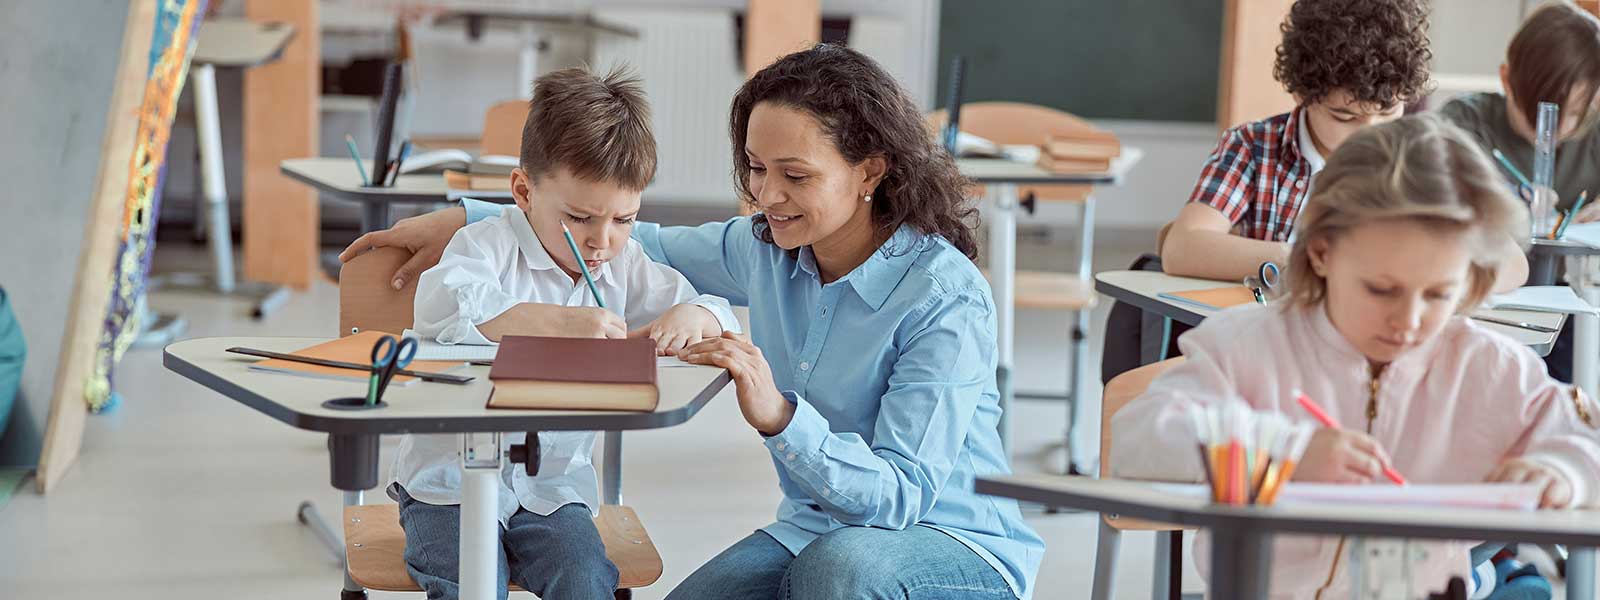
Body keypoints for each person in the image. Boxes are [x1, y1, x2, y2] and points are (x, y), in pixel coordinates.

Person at [343, 44, 1044, 600]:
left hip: (947, 545)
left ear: (870, 171)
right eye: (754, 168)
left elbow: (899, 498)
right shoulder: (767, 247)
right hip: (812, 535)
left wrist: (778, 415)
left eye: (794, 176)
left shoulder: (942, 296)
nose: (766, 196)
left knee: (840, 573)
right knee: (808, 570)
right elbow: (621, 239)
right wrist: (476, 216)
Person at [1112, 116, 1600, 599]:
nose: (1407, 320)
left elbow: (1586, 444)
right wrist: (1286, 454)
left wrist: (1564, 471)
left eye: (1437, 294)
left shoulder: (1486, 365)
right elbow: (1139, 441)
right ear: (1321, 252)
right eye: (1381, 289)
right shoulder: (1247, 345)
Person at [387, 67, 738, 600]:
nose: (602, 241)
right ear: (524, 192)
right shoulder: (485, 246)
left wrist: (697, 317)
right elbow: (445, 306)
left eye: (625, 219)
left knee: (584, 579)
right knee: (470, 584)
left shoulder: (624, 264)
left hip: (550, 490)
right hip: (446, 488)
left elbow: (712, 308)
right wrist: (557, 323)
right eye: (579, 217)